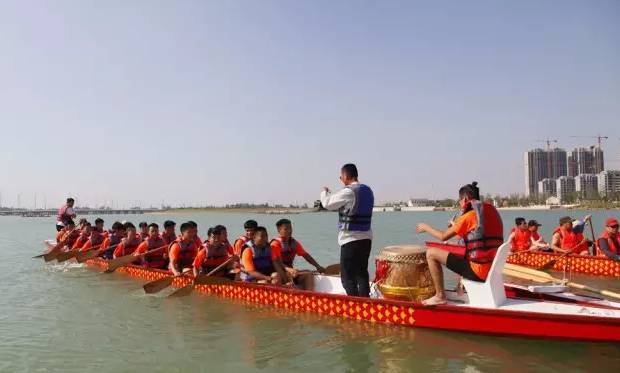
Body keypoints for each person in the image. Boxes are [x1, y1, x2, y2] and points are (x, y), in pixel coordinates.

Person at [416, 182, 504, 305]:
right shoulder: (491, 212)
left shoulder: (469, 216)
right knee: (462, 255)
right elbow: (476, 236)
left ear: (464, 199)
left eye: (459, 201)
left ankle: (440, 296)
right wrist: (455, 226)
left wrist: (426, 227)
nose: (460, 204)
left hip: (478, 271)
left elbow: (443, 236)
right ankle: (460, 287)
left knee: (431, 253)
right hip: (491, 269)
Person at [320, 163, 374, 297]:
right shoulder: (368, 190)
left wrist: (324, 192)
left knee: (347, 276)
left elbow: (327, 203)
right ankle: (365, 302)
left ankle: (354, 303)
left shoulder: (349, 191)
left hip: (350, 240)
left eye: (340, 177)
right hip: (366, 239)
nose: (341, 180)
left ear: (345, 176)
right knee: (361, 272)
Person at [270, 219, 325, 290]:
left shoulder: (294, 243)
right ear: (279, 230)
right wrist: (288, 272)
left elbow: (306, 255)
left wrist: (318, 266)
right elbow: (276, 263)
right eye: (286, 229)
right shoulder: (275, 244)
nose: (289, 231)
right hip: (278, 272)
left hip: (291, 272)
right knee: (283, 276)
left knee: (309, 274)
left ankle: (310, 295)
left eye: (290, 228)